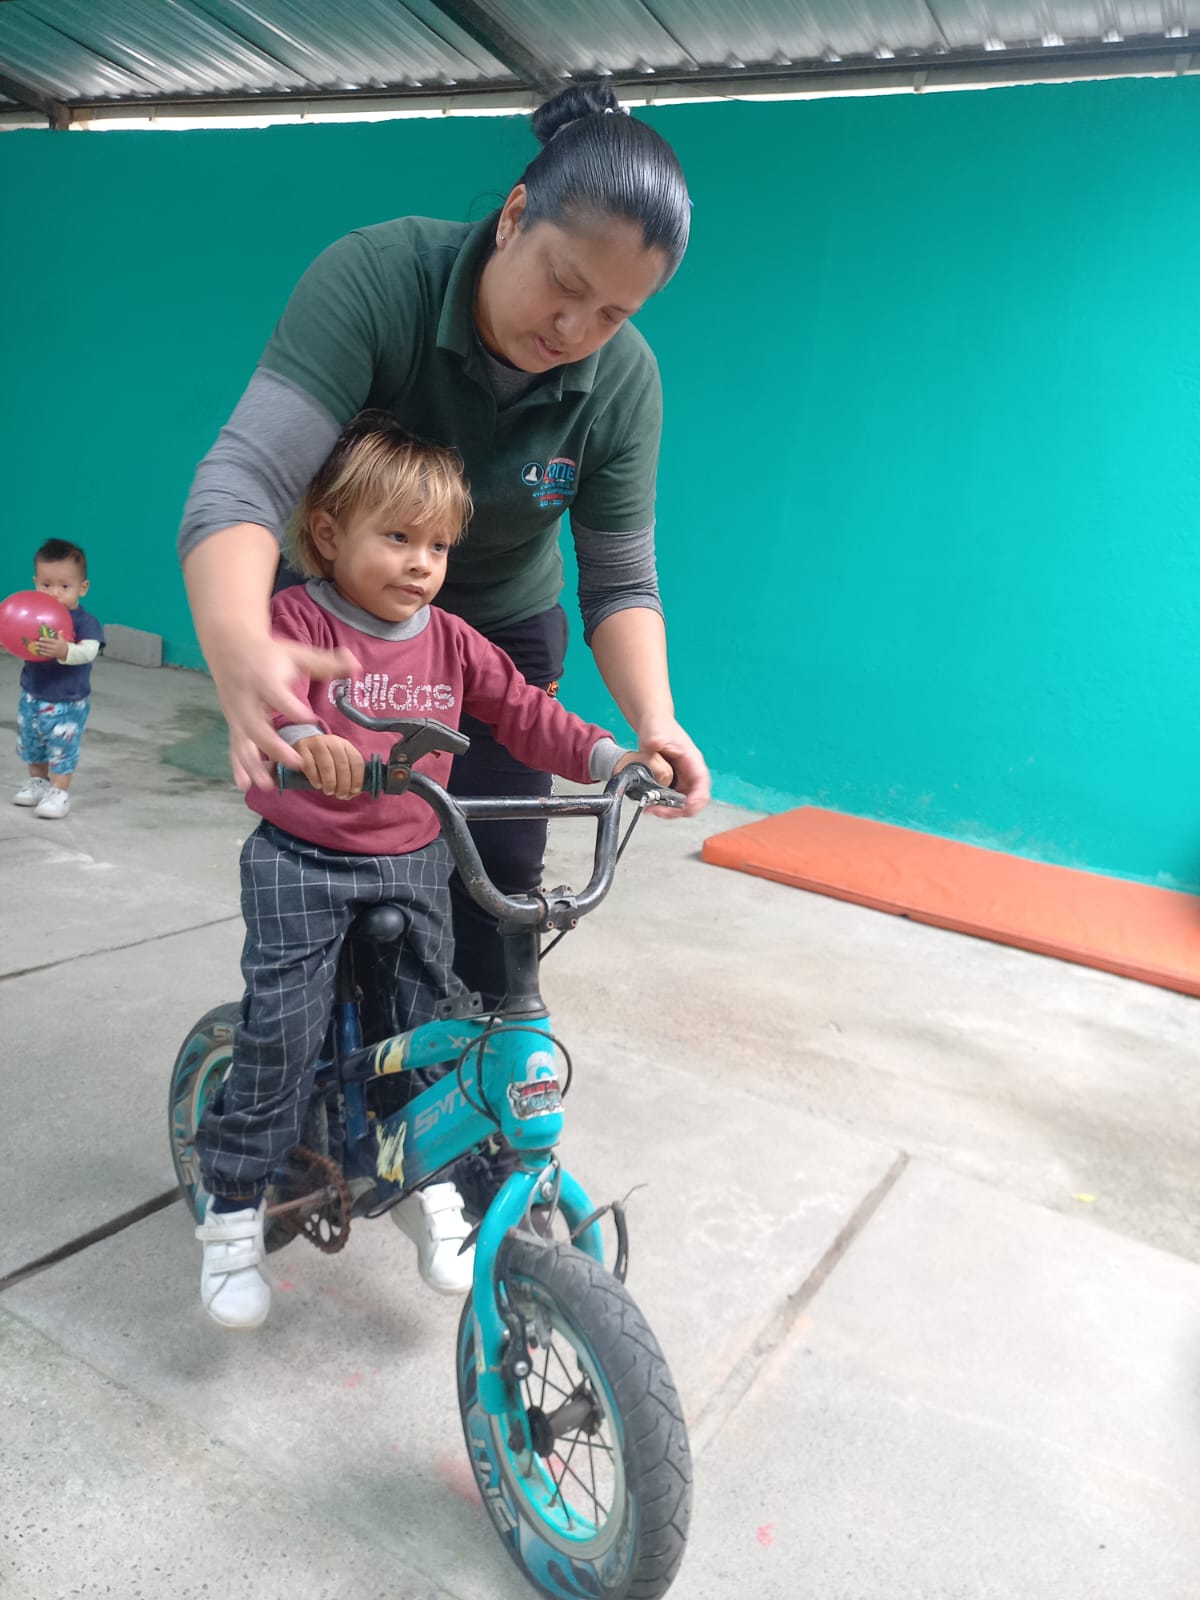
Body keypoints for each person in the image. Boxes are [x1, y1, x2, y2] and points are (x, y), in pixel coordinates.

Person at [179, 79, 710, 1016]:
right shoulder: (380, 280)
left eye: (613, 314)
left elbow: (620, 580)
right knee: (337, 867)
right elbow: (246, 479)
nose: (574, 332)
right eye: (565, 284)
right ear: (513, 216)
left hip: (501, 633)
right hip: (346, 623)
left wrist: (655, 724)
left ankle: (456, 1088)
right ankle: (307, 1068)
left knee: (497, 889)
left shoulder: (625, 383)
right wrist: (236, 641)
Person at [194, 414, 670, 1331]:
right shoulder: (299, 619)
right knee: (281, 1037)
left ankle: (423, 1184)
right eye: (398, 537)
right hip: (302, 860)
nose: (421, 563)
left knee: (426, 1029)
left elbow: (526, 713)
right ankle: (233, 1207)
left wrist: (614, 759)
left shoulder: (451, 640)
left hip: (412, 861)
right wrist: (307, 739)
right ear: (329, 532)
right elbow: (276, 696)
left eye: (439, 545)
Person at [12, 539, 104, 821]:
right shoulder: (33, 616)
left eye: (65, 586)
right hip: (32, 693)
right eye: (46, 585)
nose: (54, 593)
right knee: (33, 743)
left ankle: (59, 792)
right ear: (35, 583)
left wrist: (65, 650)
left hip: (68, 700)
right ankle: (38, 782)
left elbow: (89, 651)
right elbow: (19, 638)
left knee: (62, 747)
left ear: (82, 588)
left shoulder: (84, 622)